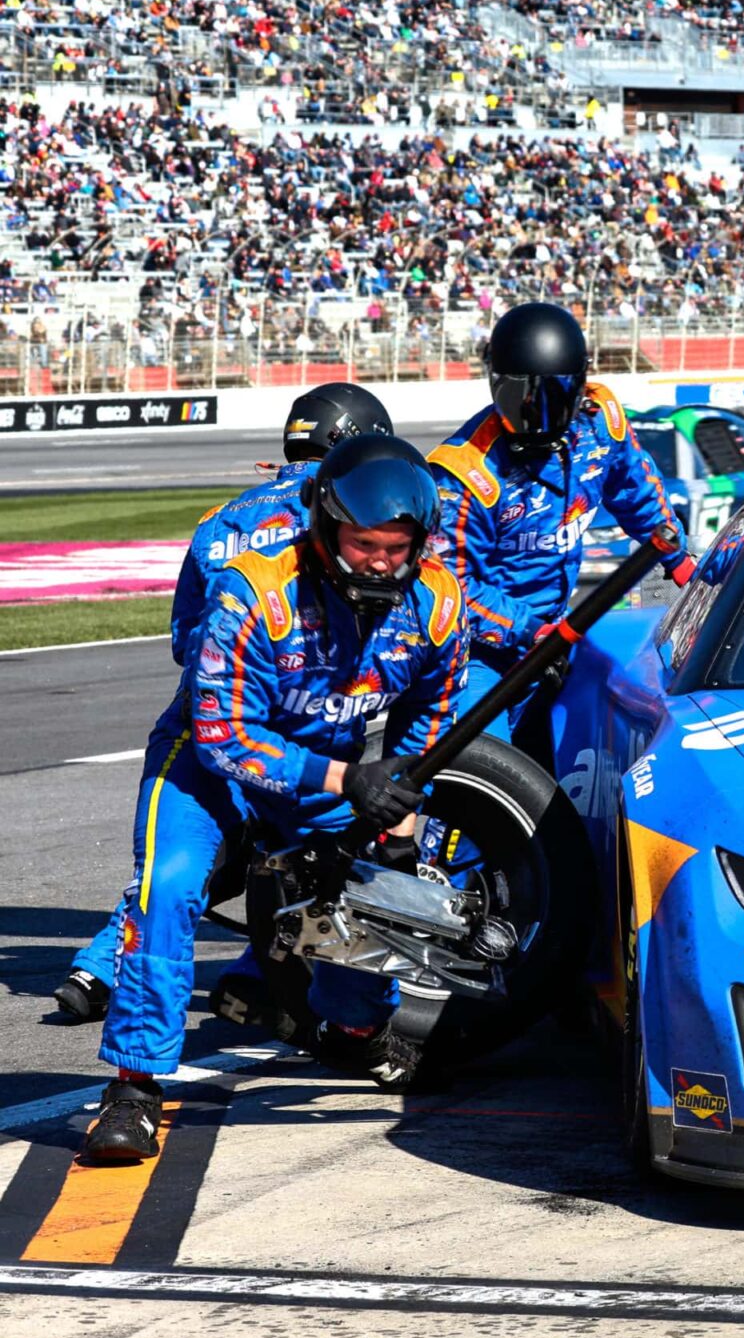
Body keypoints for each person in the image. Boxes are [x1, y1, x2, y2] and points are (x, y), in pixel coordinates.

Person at [85, 436, 466, 1162]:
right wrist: (349, 780)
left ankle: (354, 1030)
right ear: (327, 529)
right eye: (364, 544)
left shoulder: (439, 603)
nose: (380, 562)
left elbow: (431, 718)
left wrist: (402, 816)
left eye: (397, 548)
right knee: (166, 888)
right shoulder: (252, 590)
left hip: (328, 768)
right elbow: (222, 736)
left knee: (372, 893)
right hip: (208, 766)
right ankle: (133, 1090)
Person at [55, 383, 397, 1024]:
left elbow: (184, 640)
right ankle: (259, 974)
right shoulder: (343, 515)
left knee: (183, 865)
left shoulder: (220, 518)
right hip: (300, 722)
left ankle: (99, 967)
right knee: (330, 853)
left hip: (211, 714)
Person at [429, 302, 688, 745]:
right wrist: (530, 631)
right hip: (477, 656)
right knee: (481, 764)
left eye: (553, 398)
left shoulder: (601, 421)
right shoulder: (464, 473)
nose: (536, 417)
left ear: (579, 387)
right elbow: (450, 587)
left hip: (559, 636)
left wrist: (679, 558)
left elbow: (637, 490)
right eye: (521, 399)